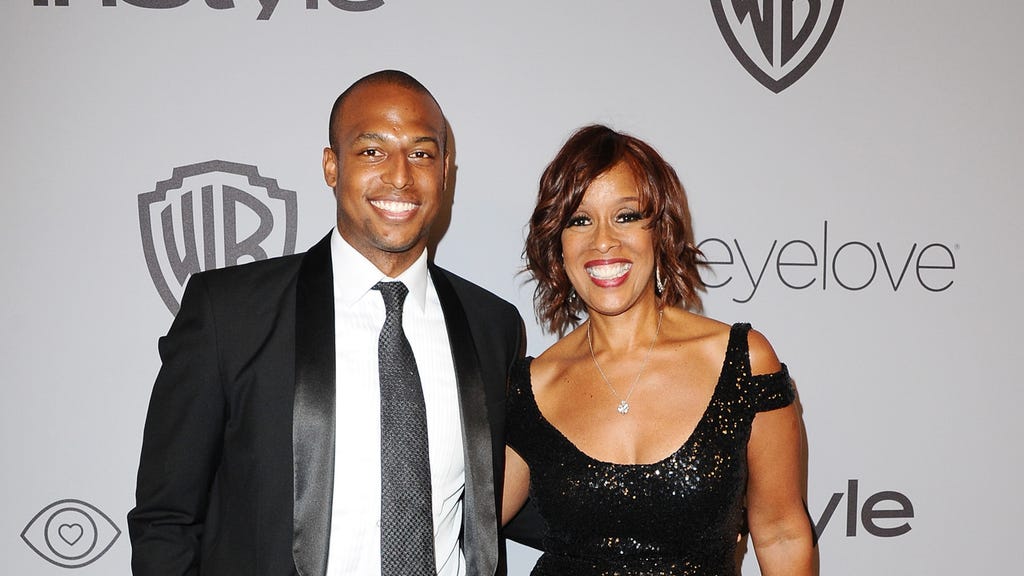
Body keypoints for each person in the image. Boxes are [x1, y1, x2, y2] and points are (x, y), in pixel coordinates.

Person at [128, 70, 524, 576]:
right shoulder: (229, 314)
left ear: (445, 171)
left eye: (422, 154)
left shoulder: (492, 326)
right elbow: (167, 518)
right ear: (331, 166)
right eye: (372, 151)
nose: (400, 175)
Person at [502, 125, 815, 575]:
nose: (603, 240)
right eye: (579, 219)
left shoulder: (742, 362)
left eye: (626, 215)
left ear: (660, 230)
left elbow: (782, 534)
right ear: (557, 242)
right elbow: (465, 524)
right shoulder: (530, 386)